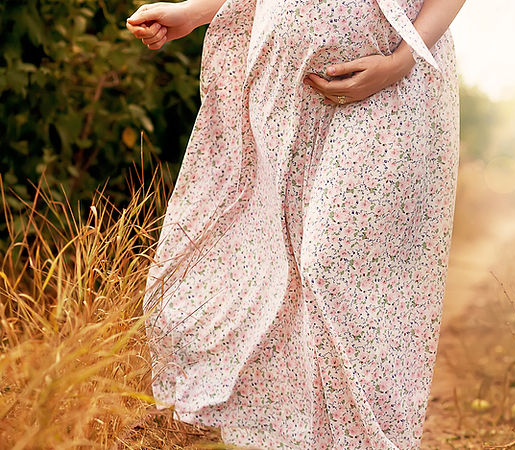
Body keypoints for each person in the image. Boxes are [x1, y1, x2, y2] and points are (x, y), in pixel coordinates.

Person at [125, 0, 465, 447]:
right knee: (274, 271)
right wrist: (193, 12)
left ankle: (371, 439)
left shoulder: (398, 65)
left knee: (332, 264)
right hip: (285, 92)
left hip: (390, 81)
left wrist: (401, 60)